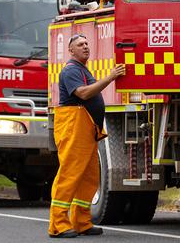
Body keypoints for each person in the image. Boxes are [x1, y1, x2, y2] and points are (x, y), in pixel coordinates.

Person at [48, 34, 125, 238]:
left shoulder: (82, 69)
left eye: (86, 43)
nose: (85, 47)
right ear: (71, 50)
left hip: (86, 129)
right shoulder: (71, 70)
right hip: (74, 127)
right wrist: (110, 77)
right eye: (80, 45)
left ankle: (82, 221)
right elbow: (82, 94)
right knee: (70, 175)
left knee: (89, 177)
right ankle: (58, 224)